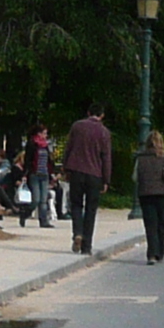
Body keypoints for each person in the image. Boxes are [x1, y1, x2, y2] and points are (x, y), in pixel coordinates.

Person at [61, 103, 113, 255]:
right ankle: (87, 245)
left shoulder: (77, 127)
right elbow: (106, 158)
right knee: (91, 209)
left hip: (76, 171)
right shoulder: (104, 132)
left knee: (76, 205)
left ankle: (77, 232)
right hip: (95, 174)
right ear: (102, 115)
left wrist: (65, 167)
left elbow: (68, 148)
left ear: (88, 112)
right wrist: (106, 180)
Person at [134, 130, 164, 264]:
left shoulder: (140, 157)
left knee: (150, 224)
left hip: (146, 194)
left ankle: (151, 254)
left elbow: (135, 177)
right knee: (161, 223)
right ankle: (160, 252)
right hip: (163, 193)